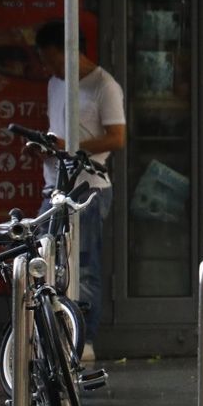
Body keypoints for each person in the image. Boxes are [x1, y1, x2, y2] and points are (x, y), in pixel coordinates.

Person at [35, 20, 125, 362]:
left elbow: (117, 137)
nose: (52, 69)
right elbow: (55, 127)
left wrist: (71, 148)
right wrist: (46, 147)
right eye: (47, 63)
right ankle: (56, 330)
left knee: (84, 264)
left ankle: (84, 338)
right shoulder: (54, 84)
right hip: (55, 185)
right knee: (48, 259)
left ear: (73, 52)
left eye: (55, 61)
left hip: (89, 187)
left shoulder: (105, 86)